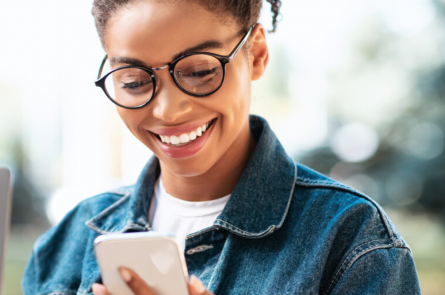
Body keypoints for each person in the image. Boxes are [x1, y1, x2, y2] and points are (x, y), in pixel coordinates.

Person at [22, 0, 422, 294]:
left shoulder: (350, 237)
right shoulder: (68, 242)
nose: (168, 109)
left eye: (199, 71)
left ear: (258, 54)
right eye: (134, 81)